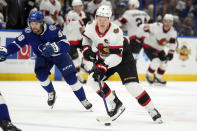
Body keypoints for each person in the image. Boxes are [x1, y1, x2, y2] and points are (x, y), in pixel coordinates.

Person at [82, 5, 162, 123]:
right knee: (92, 80)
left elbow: (116, 57)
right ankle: (115, 103)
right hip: (105, 58)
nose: (102, 22)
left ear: (110, 19)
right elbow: (86, 40)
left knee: (132, 87)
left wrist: (102, 66)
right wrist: (87, 50)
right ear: (96, 18)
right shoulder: (90, 26)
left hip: (122, 57)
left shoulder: (116, 31)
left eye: (105, 19)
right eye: (99, 18)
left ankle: (152, 110)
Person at [0, 11, 92, 110]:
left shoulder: (53, 30)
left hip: (59, 55)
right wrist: (6, 50)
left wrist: (55, 47)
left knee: (71, 78)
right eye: (31, 23)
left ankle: (83, 99)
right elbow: (15, 45)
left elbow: (66, 45)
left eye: (36, 23)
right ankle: (51, 92)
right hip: (43, 56)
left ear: (42, 23)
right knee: (40, 75)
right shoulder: (27, 33)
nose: (33, 26)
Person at [141, 14, 177, 85]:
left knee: (165, 62)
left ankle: (158, 78)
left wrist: (170, 53)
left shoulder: (173, 32)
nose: (167, 23)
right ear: (163, 21)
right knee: (156, 61)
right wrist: (141, 38)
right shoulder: (156, 26)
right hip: (148, 46)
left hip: (159, 49)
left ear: (172, 23)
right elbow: (143, 28)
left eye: (170, 22)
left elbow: (172, 44)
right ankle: (148, 75)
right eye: (166, 21)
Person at [63, 0, 91, 84]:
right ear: (73, 7)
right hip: (70, 40)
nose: (78, 8)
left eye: (80, 6)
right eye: (76, 6)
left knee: (88, 53)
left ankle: (83, 64)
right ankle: (78, 75)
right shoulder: (71, 15)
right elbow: (82, 27)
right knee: (76, 60)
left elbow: (85, 27)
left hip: (79, 39)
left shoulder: (83, 14)